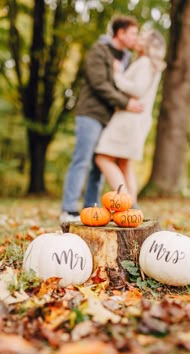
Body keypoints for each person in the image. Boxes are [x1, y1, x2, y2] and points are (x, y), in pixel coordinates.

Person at [60, 15, 143, 222]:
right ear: (120, 33)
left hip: (110, 119)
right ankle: (69, 209)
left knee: (99, 165)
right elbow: (99, 84)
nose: (136, 37)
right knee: (82, 160)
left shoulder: (127, 59)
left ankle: (91, 210)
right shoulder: (100, 50)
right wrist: (125, 103)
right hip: (91, 113)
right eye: (133, 33)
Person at [95, 29, 166, 206]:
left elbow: (137, 89)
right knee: (124, 164)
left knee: (102, 158)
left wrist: (117, 74)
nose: (138, 39)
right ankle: (132, 209)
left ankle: (124, 202)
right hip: (139, 120)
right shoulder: (152, 65)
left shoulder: (144, 62)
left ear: (149, 45)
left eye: (142, 37)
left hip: (128, 119)